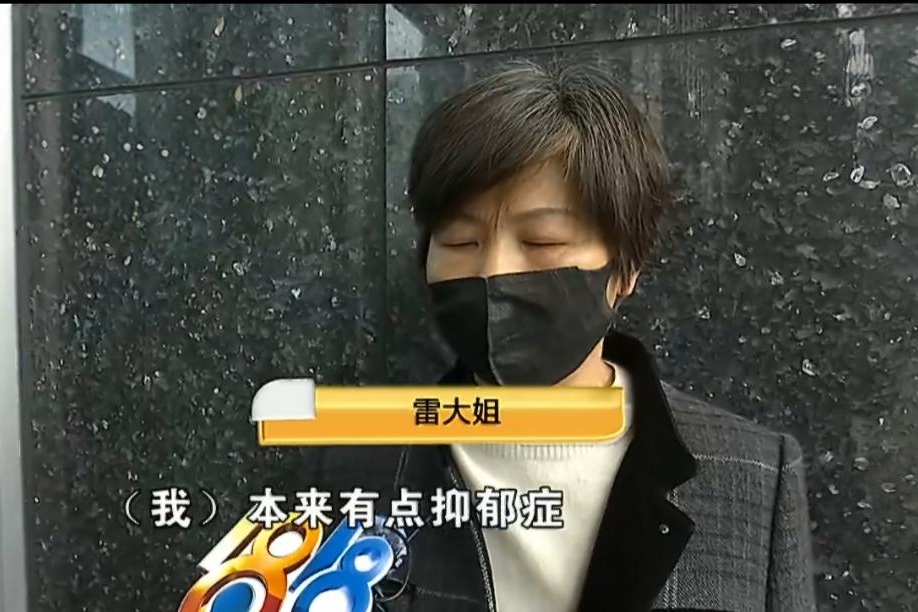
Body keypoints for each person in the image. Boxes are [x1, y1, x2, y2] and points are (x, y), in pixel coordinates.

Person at [308, 60, 816, 612]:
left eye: (543, 242)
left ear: (625, 270)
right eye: (459, 242)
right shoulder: (356, 469)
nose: (494, 272)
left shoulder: (752, 474)